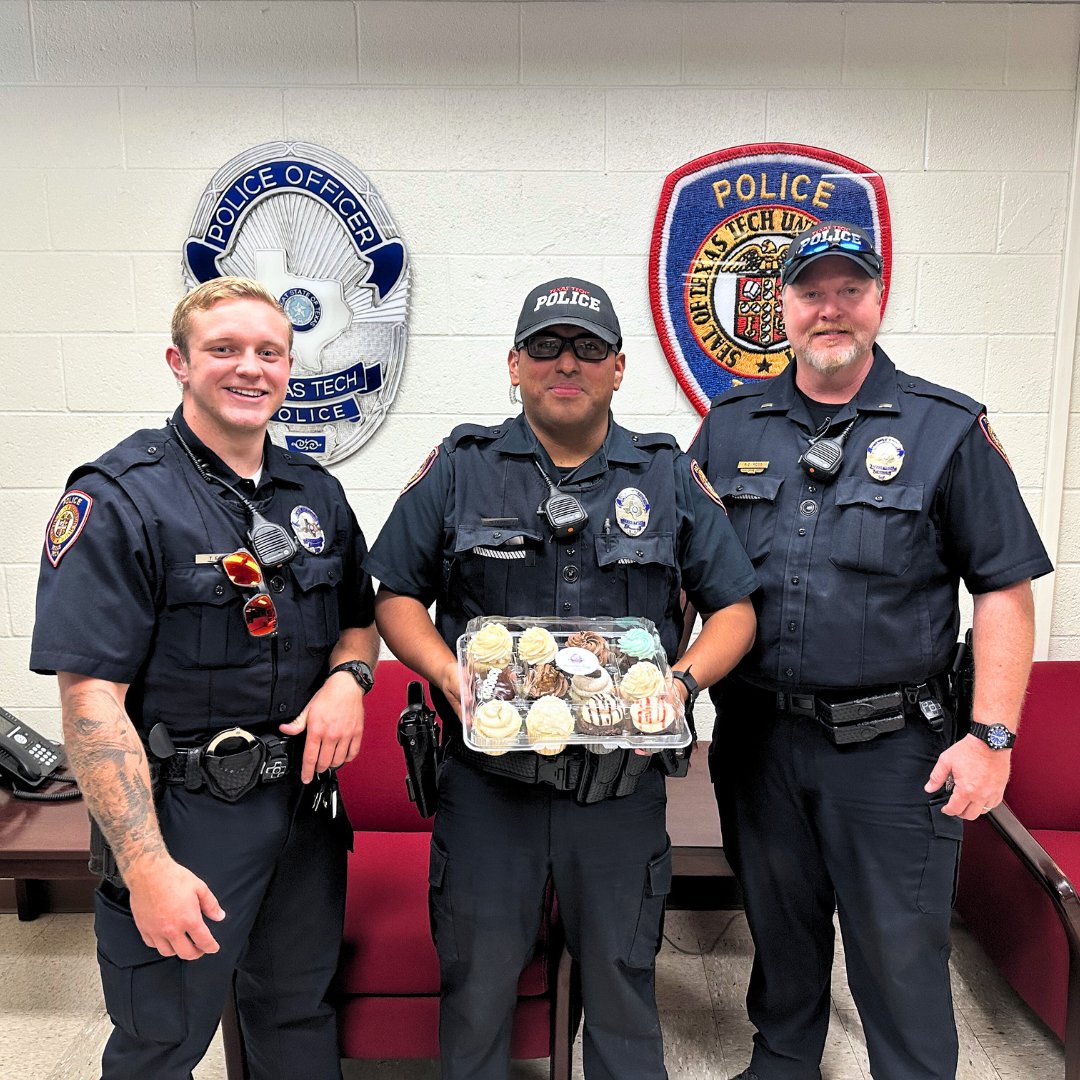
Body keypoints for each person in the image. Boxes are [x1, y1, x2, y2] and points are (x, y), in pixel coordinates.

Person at [366, 277, 759, 1080]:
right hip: (488, 791)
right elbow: (396, 597)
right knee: (476, 991)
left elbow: (737, 611)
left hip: (618, 796)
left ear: (620, 368)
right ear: (514, 364)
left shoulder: (665, 475)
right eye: (545, 346)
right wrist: (444, 669)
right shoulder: (461, 467)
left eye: (588, 347)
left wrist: (680, 685)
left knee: (621, 989)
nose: (565, 362)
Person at [688, 221, 1054, 1080]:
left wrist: (993, 737)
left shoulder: (945, 428)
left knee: (900, 955)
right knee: (778, 939)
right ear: (781, 308)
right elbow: (687, 575)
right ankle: (782, 1065)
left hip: (894, 750)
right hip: (758, 742)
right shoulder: (731, 422)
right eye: (811, 292)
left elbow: (1003, 588)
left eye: (849, 290)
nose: (830, 310)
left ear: (878, 301)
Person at [31, 277, 380, 1080]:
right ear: (179, 363)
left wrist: (349, 679)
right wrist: (147, 867)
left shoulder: (314, 495)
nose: (248, 368)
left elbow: (360, 616)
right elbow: (90, 706)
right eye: (223, 349)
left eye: (269, 352)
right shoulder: (120, 498)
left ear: (290, 369)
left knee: (296, 1016)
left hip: (304, 810)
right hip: (184, 818)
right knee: (162, 1040)